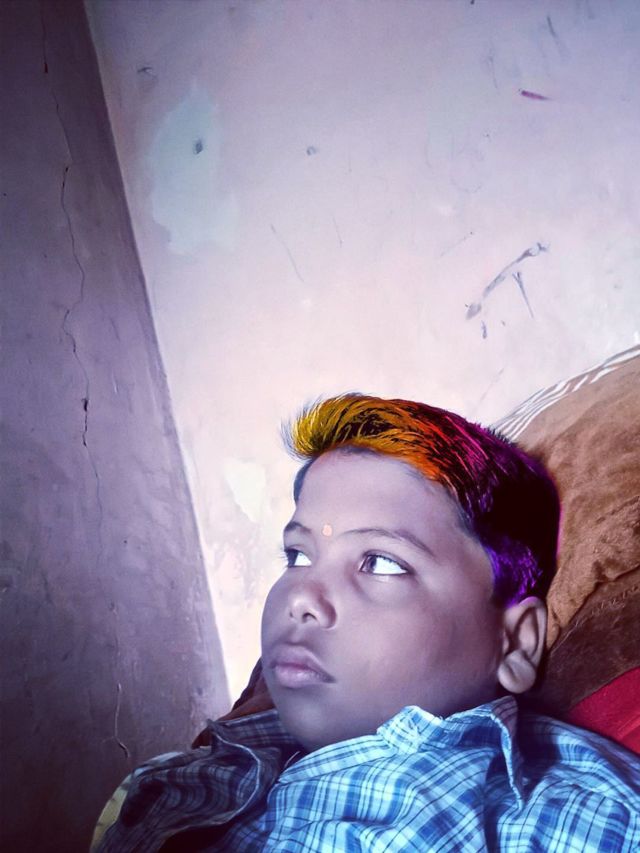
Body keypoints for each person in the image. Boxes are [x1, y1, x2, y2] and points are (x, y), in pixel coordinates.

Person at [94, 395, 640, 852]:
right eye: (298, 555)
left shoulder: (578, 820)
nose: (301, 596)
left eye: (380, 562)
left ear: (515, 644)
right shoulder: (191, 777)